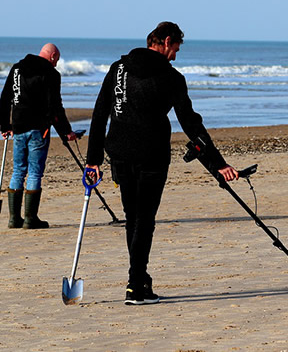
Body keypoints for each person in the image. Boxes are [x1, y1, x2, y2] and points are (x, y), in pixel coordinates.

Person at [85, 22, 238, 305]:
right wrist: (218, 163)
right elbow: (191, 123)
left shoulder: (118, 69)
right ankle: (135, 285)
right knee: (144, 220)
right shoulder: (171, 77)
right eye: (176, 48)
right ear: (167, 41)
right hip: (151, 155)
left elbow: (99, 114)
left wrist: (92, 161)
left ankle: (140, 280)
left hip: (118, 152)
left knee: (134, 218)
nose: (176, 56)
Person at [0, 43, 77, 229]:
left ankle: (14, 218)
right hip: (37, 128)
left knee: (18, 170)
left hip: (18, 126)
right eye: (56, 60)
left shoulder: (17, 68)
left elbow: (5, 97)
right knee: (34, 171)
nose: (56, 64)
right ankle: (30, 218)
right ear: (52, 56)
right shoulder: (50, 74)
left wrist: (5, 125)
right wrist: (66, 131)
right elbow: (55, 107)